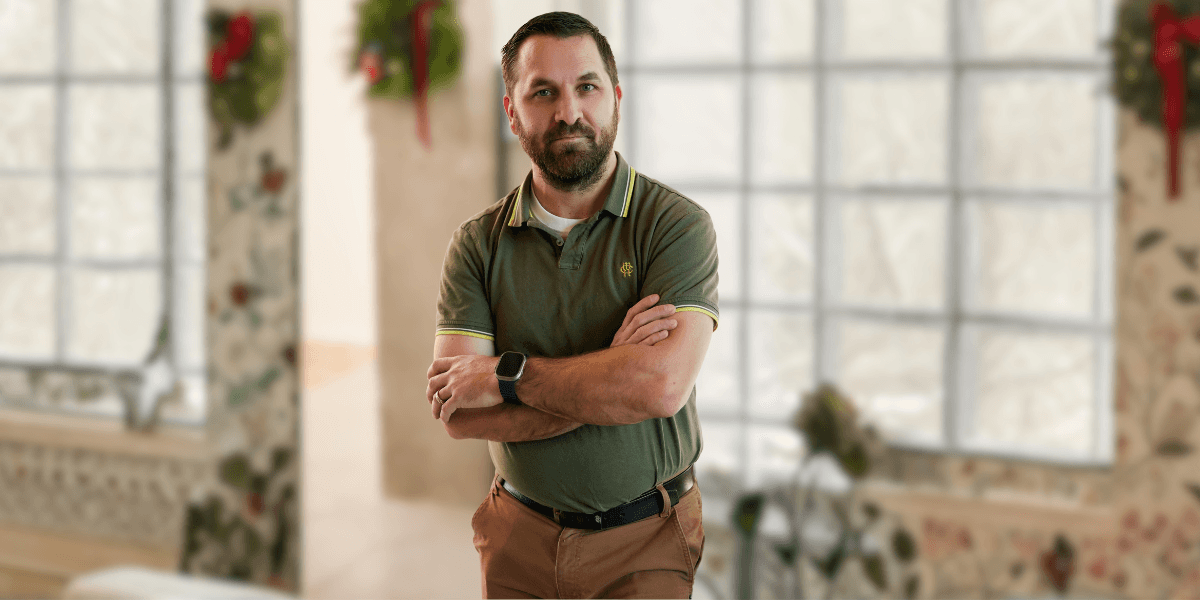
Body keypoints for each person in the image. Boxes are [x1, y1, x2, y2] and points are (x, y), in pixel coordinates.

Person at [426, 11, 719, 599]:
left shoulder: (677, 227)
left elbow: (659, 389)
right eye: (543, 92)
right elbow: (460, 414)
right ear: (511, 111)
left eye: (586, 87)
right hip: (516, 536)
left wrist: (503, 375)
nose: (568, 112)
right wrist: (610, 373)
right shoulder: (477, 244)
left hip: (647, 540)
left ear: (615, 98)